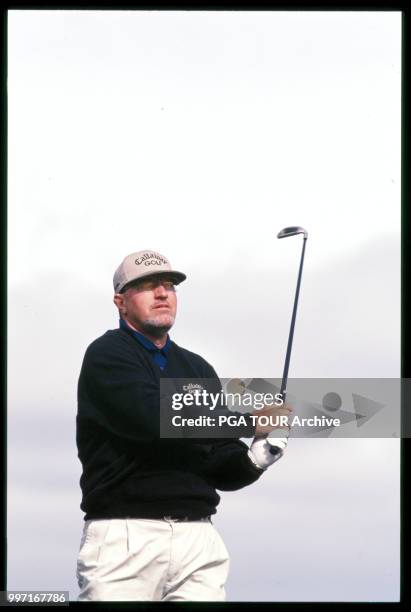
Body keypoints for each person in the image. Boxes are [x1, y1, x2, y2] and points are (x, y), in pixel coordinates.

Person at [76, 249, 292, 602]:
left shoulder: (197, 367)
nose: (162, 294)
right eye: (147, 286)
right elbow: (155, 418)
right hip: (125, 536)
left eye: (169, 286)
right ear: (121, 302)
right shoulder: (107, 355)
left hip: (198, 540)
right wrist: (248, 421)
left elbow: (218, 461)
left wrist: (257, 456)